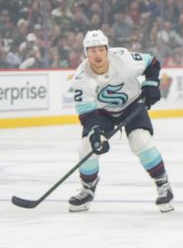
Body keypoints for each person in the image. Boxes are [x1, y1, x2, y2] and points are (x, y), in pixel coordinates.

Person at [68, 30, 173, 212]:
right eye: (92, 50)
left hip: (132, 104)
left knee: (141, 141)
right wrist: (95, 133)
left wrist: (151, 84)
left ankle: (163, 185)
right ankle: (87, 189)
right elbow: (87, 114)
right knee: (87, 147)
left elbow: (152, 63)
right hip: (102, 113)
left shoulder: (123, 59)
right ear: (86, 53)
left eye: (100, 49)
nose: (97, 54)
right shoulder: (81, 78)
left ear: (107, 49)